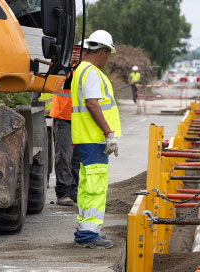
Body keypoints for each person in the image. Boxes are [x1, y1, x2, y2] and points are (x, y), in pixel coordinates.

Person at [70, 30, 121, 249]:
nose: (107, 59)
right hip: (94, 139)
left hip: (87, 138)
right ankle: (89, 236)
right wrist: (108, 133)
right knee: (95, 188)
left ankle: (85, 230)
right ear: (101, 51)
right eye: (107, 54)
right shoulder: (91, 72)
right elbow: (92, 103)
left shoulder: (81, 70)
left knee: (87, 187)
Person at [50, 43, 87, 206]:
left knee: (77, 158)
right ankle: (63, 192)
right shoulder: (61, 67)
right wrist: (69, 66)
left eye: (80, 52)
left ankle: (74, 192)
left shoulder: (86, 70)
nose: (77, 54)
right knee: (64, 156)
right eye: (75, 51)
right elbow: (58, 83)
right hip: (63, 115)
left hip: (80, 117)